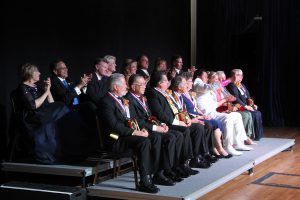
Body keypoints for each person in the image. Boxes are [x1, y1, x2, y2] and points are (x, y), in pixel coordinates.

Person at [98, 73, 159, 193]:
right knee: (144, 142)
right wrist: (135, 133)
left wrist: (140, 130)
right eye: (125, 84)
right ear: (116, 87)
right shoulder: (106, 102)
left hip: (126, 134)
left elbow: (132, 119)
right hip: (114, 138)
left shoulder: (124, 99)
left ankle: (153, 175)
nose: (127, 86)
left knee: (152, 137)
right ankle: (144, 181)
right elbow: (114, 126)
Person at [146, 71, 210, 173]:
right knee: (184, 131)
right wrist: (179, 122)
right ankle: (180, 164)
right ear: (160, 83)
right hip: (166, 124)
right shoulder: (152, 94)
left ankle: (191, 160)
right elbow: (160, 115)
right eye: (166, 81)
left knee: (198, 127)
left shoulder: (164, 92)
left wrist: (187, 120)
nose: (168, 83)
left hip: (174, 121)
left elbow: (176, 109)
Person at [126, 74, 180, 185]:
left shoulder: (142, 97)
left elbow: (151, 116)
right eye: (141, 84)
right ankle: (157, 174)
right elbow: (136, 121)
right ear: (133, 86)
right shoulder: (128, 99)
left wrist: (161, 124)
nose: (145, 86)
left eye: (145, 83)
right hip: (142, 130)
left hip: (150, 127)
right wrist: (156, 128)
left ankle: (164, 170)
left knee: (172, 136)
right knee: (158, 137)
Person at [16, 63, 69, 164]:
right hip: (31, 117)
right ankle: (48, 153)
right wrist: (46, 92)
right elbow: (33, 106)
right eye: (37, 71)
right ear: (30, 73)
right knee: (57, 112)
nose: (40, 73)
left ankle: (62, 149)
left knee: (61, 107)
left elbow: (52, 102)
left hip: (42, 113)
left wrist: (47, 89)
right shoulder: (23, 87)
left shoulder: (37, 86)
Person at [193, 69, 252, 156]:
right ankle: (227, 146)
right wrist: (229, 80)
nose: (206, 78)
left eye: (207, 76)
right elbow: (209, 88)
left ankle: (239, 142)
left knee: (237, 115)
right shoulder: (198, 83)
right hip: (206, 113)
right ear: (198, 77)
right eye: (205, 76)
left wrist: (228, 99)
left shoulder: (206, 86)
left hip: (212, 111)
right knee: (228, 118)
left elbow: (214, 99)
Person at [181, 72, 231, 158]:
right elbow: (185, 111)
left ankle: (216, 148)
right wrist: (201, 116)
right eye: (189, 81)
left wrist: (202, 114)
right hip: (192, 117)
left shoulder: (190, 93)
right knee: (211, 123)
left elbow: (196, 107)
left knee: (216, 122)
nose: (191, 83)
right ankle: (214, 149)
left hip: (199, 114)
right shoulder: (183, 94)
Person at [226, 69, 263, 140]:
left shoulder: (242, 85)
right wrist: (246, 106)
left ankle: (256, 135)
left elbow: (248, 97)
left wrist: (252, 105)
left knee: (257, 112)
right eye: (238, 75)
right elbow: (236, 99)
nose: (241, 77)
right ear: (233, 76)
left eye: (241, 75)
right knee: (249, 114)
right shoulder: (231, 85)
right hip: (238, 107)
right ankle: (246, 136)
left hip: (246, 106)